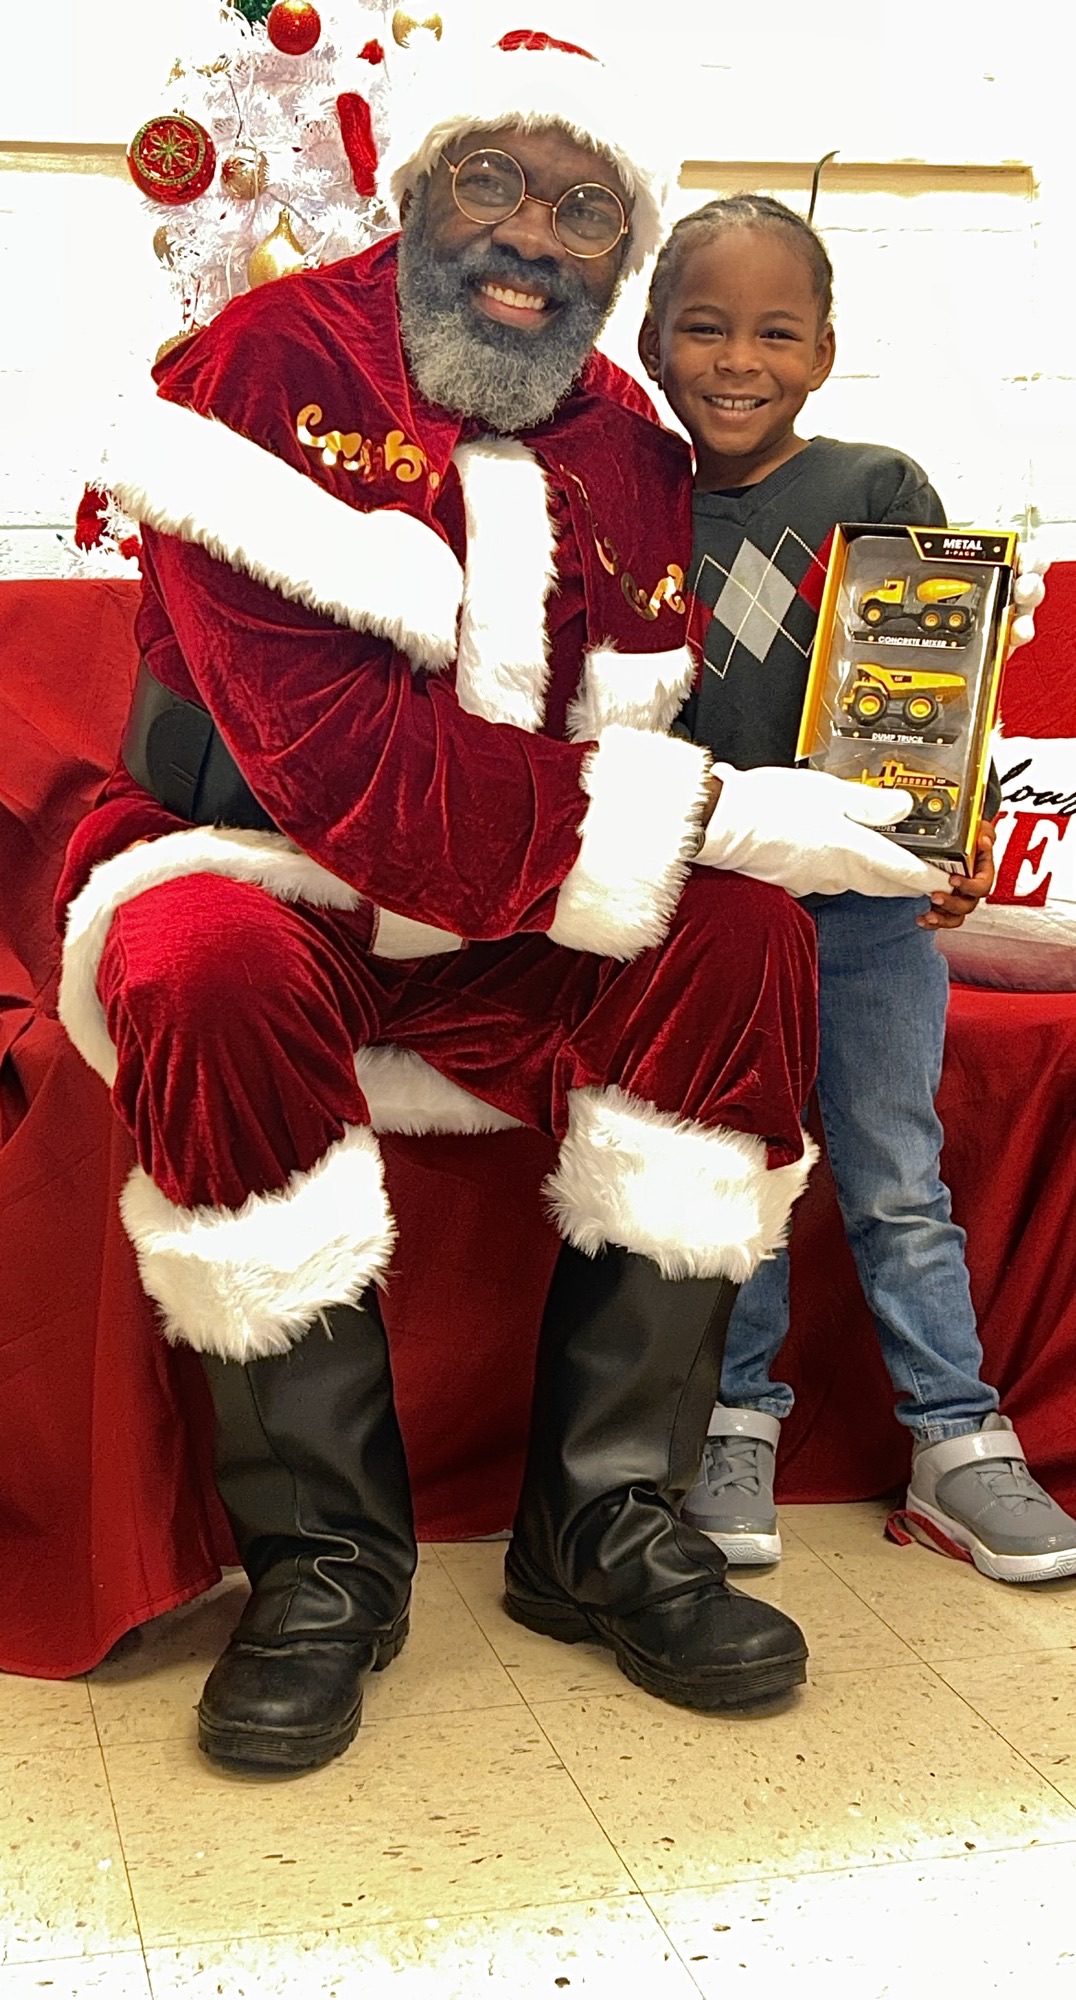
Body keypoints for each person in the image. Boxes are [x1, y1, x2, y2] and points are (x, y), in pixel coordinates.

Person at [56, 37, 956, 1780]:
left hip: (509, 913)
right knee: (193, 958)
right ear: (415, 188)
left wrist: (811, 808)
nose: (530, 236)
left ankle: (603, 1520)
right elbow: (334, 765)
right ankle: (326, 1564)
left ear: (625, 252)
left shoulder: (627, 440)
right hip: (268, 865)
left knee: (740, 937)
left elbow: (633, 726)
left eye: (584, 205)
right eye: (493, 182)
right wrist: (719, 811)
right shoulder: (258, 364)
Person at [638, 192, 1076, 1586]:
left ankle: (959, 1439)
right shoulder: (624, 503)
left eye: (775, 331)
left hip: (873, 918)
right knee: (745, 1173)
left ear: (823, 351)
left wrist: (939, 844)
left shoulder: (876, 489)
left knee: (896, 1176)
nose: (737, 360)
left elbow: (931, 705)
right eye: (703, 327)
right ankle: (735, 1424)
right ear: (652, 339)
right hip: (713, 917)